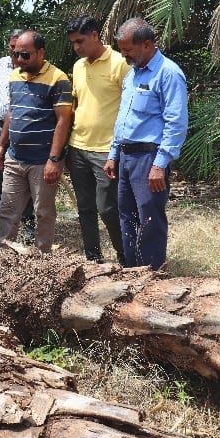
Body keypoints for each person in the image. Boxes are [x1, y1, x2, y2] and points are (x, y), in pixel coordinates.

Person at [103, 18, 188, 270]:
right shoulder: (132, 75)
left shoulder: (169, 73)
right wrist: (113, 154)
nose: (123, 54)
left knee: (149, 218)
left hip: (149, 159)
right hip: (126, 157)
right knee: (126, 216)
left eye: (128, 49)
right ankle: (132, 272)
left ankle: (152, 276)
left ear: (147, 44)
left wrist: (160, 164)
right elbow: (124, 119)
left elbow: (176, 122)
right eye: (121, 49)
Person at [0, 30, 73, 252]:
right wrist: (2, 145)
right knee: (7, 210)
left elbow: (63, 121)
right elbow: (12, 111)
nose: (19, 60)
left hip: (42, 161)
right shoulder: (15, 76)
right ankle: (4, 255)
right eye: (16, 54)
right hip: (15, 158)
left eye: (25, 55)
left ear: (41, 53)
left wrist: (54, 159)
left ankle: (42, 258)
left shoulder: (58, 79)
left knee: (43, 212)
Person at [66, 14, 130, 265]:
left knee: (108, 208)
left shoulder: (119, 63)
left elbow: (131, 105)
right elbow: (76, 104)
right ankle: (93, 259)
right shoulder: (78, 67)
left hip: (107, 150)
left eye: (80, 41)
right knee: (85, 208)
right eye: (73, 43)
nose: (77, 48)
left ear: (95, 36)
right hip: (78, 146)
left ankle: (125, 256)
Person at [0, 29, 35, 242]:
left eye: (20, 50)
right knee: (1, 177)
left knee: (27, 178)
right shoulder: (1, 64)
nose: (16, 55)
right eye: (12, 49)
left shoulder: (32, 67)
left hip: (24, 129)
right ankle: (0, 221)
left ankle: (29, 225)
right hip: (0, 125)